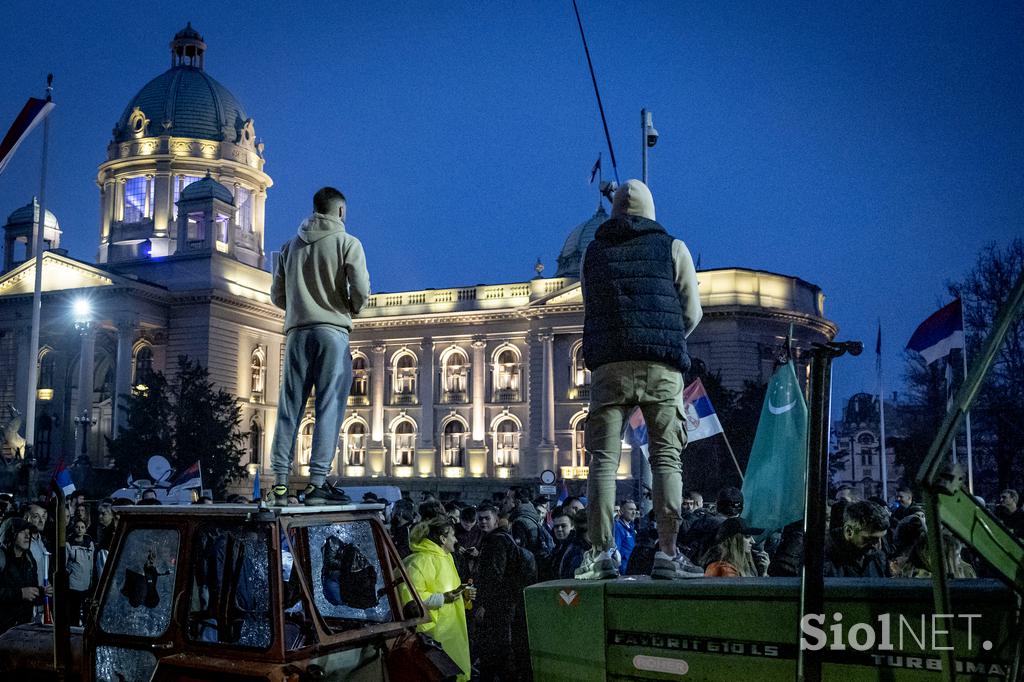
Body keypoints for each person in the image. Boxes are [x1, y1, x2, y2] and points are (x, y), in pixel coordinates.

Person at [577, 180, 702, 581]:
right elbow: (692, 311)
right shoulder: (673, 247)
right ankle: (668, 552)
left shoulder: (592, 252)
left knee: (602, 462)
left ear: (613, 212)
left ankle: (601, 553)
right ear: (651, 211)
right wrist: (664, 336)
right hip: (661, 365)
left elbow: (590, 303)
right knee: (667, 456)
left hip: (608, 366)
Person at [269, 186, 371, 505]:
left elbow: (276, 296)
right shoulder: (347, 243)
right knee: (328, 407)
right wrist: (351, 306)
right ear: (339, 211)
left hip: (297, 334)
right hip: (332, 333)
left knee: (289, 409)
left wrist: (299, 305)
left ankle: (281, 484)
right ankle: (316, 483)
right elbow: (362, 289)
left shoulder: (289, 247)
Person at [399, 517, 475, 681]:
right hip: (433, 636)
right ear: (442, 539)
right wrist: (443, 598)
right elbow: (410, 600)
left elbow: (448, 589)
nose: (455, 539)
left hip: (452, 631)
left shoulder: (446, 558)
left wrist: (464, 595)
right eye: (452, 536)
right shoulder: (418, 561)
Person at [0, 519, 51, 633]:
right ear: (10, 534)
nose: (28, 536)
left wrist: (41, 591)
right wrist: (20, 594)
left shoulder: (29, 558)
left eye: (29, 532)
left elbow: (29, 588)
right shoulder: (1, 558)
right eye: (22, 532)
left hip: (24, 625)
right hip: (4, 628)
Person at [823, 500, 890, 578]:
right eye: (871, 539)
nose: (878, 544)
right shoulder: (822, 559)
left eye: (881, 538)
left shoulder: (878, 557)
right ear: (849, 531)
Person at [65, 519, 95, 625]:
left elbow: (91, 563)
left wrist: (91, 579)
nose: (80, 529)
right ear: (74, 528)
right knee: (74, 611)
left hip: (86, 583)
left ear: (85, 529)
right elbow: (64, 564)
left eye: (82, 527)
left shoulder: (90, 544)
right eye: (77, 527)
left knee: (86, 611)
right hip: (73, 583)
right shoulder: (68, 544)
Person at [613, 499, 638, 574]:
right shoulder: (618, 527)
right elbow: (616, 551)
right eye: (631, 509)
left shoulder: (631, 528)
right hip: (624, 570)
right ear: (622, 511)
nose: (634, 512)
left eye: (635, 510)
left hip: (631, 568)